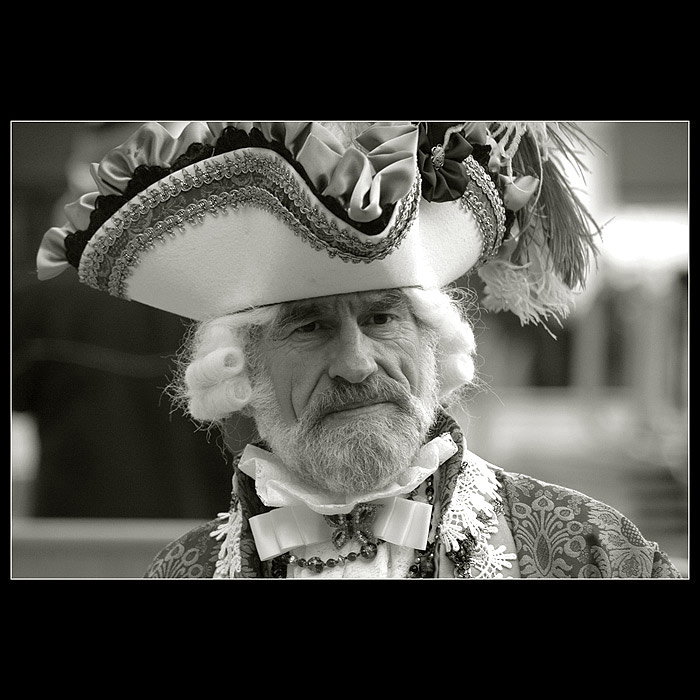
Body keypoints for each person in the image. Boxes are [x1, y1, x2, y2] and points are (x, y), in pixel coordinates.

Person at [36, 121, 682, 578]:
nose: (355, 363)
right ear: (243, 372)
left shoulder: (591, 552)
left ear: (433, 345)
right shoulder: (187, 570)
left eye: (380, 318)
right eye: (310, 328)